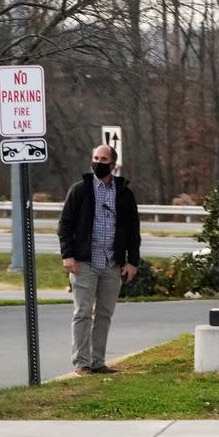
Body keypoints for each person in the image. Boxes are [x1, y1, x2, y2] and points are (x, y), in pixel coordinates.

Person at [58, 144, 140, 375]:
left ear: (113, 165)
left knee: (104, 314)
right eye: (95, 157)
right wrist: (68, 255)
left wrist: (132, 261)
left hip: (112, 263)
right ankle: (81, 363)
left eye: (103, 159)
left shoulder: (124, 194)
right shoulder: (80, 190)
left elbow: (134, 230)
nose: (98, 162)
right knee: (82, 312)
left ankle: (98, 361)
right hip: (85, 262)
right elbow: (65, 225)